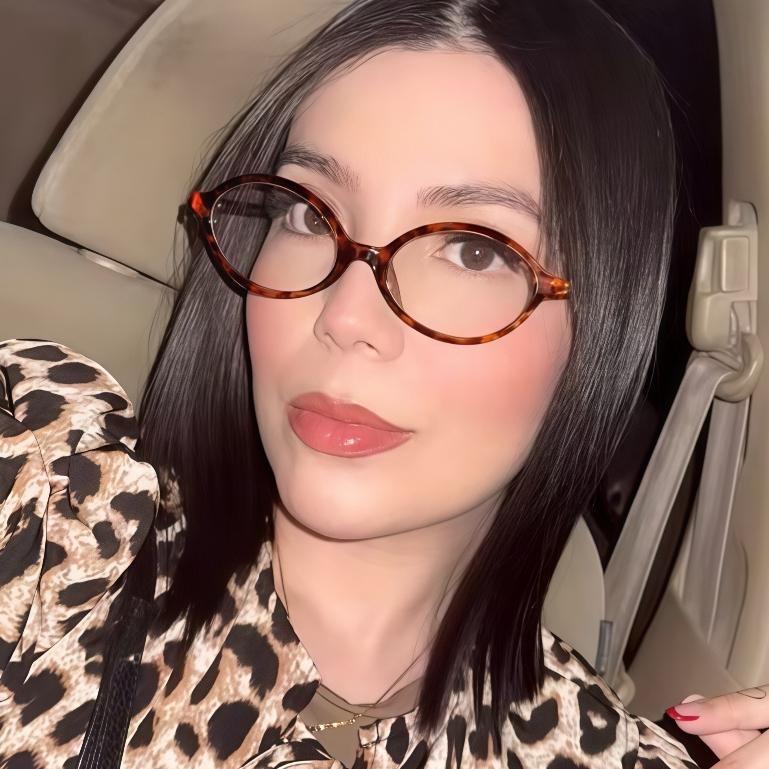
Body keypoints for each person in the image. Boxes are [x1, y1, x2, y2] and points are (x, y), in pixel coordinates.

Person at [0, 1, 765, 767]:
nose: (346, 316)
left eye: (472, 250)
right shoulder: (48, 492)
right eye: (308, 214)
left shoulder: (599, 753)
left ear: (601, 331)